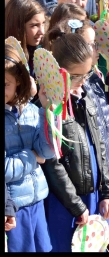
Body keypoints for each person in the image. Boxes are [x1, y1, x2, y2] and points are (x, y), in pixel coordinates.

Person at [41, 33, 109, 252]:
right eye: (76, 76)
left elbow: (100, 144)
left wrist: (107, 192)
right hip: (65, 203)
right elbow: (53, 162)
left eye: (88, 73)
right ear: (58, 73)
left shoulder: (85, 97)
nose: (83, 82)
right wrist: (76, 206)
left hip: (92, 195)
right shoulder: (48, 107)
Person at [4, 43, 54, 252]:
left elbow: (47, 151)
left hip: (37, 202)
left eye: (5, 83)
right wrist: (31, 157)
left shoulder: (32, 111)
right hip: (12, 209)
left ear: (18, 82)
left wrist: (47, 111)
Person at [4, 0, 45, 75]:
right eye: (34, 25)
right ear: (17, 27)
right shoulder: (8, 62)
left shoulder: (41, 53)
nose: (42, 32)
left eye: (43, 23)